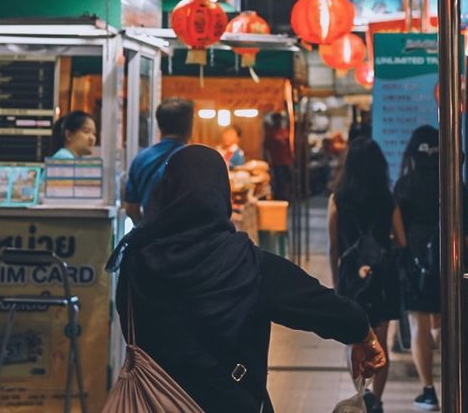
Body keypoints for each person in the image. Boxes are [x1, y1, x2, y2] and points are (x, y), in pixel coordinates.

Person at [109, 146, 385, 412]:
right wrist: (362, 332)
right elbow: (315, 303)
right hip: (233, 401)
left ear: (165, 192)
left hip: (149, 400)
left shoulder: (136, 258)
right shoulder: (245, 262)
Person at [392, 125, 468, 412]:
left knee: (418, 325)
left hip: (415, 261)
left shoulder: (404, 185)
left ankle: (429, 391)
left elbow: (397, 232)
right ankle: (457, 383)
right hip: (448, 257)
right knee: (442, 323)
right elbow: (466, 233)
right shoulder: (454, 184)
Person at [330, 137, 405, 410]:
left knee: (355, 339)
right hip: (383, 276)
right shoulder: (387, 198)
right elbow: (401, 239)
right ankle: (378, 401)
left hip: (351, 278)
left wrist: (338, 283)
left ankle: (363, 396)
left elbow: (334, 246)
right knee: (380, 342)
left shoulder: (338, 199)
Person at [123, 98, 193, 224]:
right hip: (185, 236)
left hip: (151, 234)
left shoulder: (141, 159)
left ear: (159, 125)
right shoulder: (195, 159)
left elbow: (131, 208)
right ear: (189, 128)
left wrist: (144, 229)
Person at [263, 112, 294, 201]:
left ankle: (286, 198)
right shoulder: (271, 133)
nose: (278, 122)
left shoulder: (285, 132)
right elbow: (266, 147)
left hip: (286, 161)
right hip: (276, 162)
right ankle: (280, 198)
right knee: (279, 182)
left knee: (286, 181)